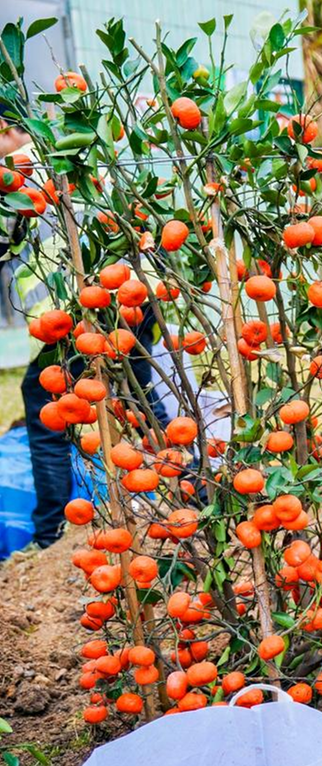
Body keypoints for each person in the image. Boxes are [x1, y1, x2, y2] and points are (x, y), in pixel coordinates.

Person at [0, 114, 167, 549]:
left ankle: (50, 533)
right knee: (139, 396)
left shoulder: (12, 175)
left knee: (47, 411)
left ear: (6, 128)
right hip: (134, 295)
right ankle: (191, 488)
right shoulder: (77, 152)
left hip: (75, 313)